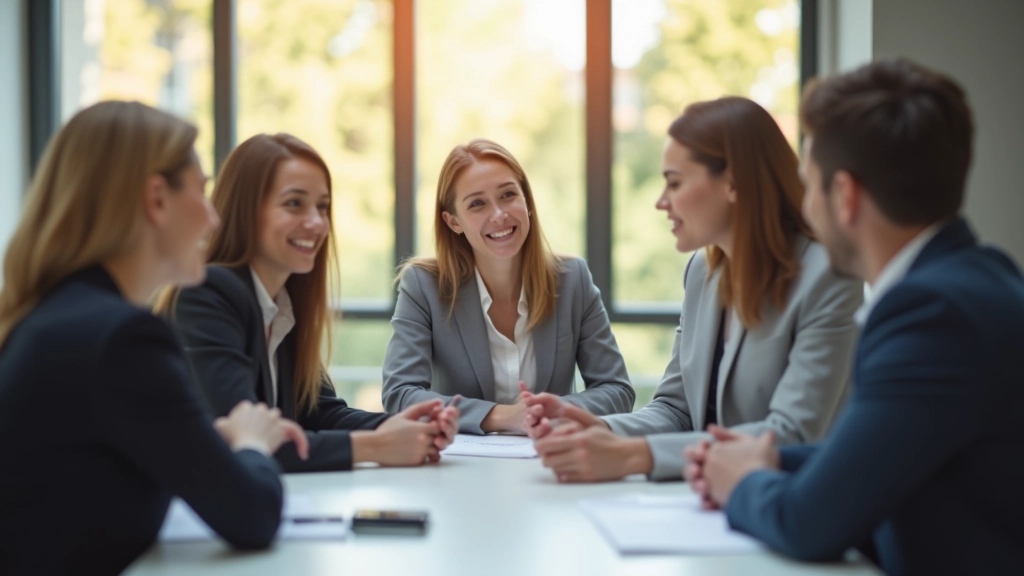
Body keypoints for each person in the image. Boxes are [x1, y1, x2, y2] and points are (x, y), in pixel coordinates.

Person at [687, 59, 1024, 575]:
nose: (806, 207)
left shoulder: (931, 315)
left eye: (809, 185)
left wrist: (743, 481)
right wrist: (770, 459)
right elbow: (884, 456)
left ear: (844, 196)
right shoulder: (977, 277)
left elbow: (807, 523)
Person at [0, 102, 308, 575]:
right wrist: (252, 443)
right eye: (202, 194)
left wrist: (209, 441)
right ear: (157, 199)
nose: (213, 219)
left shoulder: (52, 316)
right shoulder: (123, 338)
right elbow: (253, 514)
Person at [529, 96, 863, 482]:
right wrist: (599, 430)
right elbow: (677, 409)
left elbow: (791, 435)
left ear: (734, 183)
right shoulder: (703, 273)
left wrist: (634, 456)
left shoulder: (828, 277)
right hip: (706, 503)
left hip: (788, 511)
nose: (661, 202)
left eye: (674, 182)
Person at [161, 133, 459, 472]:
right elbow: (249, 442)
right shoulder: (207, 295)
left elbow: (320, 412)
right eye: (294, 204)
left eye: (322, 207)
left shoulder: (283, 304)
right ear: (246, 211)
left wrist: (402, 425)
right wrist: (378, 445)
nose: (316, 222)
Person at [382, 138, 635, 434]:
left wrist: (555, 413)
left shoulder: (572, 279)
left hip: (552, 459)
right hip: (459, 467)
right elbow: (399, 394)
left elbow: (617, 390)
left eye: (508, 195)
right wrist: (501, 417)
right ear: (453, 222)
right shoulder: (423, 285)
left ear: (526, 201)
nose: (499, 214)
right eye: (477, 203)